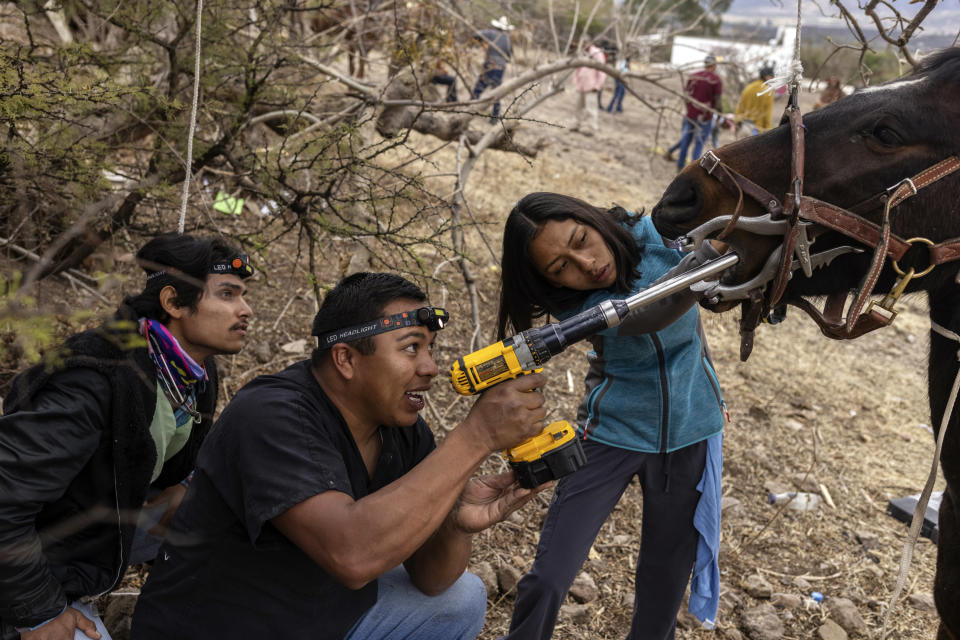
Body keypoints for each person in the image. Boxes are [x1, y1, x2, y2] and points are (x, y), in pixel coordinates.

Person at [130, 272, 550, 639]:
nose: (431, 367)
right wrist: (475, 438)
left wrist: (455, 525)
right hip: (220, 627)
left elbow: (432, 579)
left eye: (431, 349)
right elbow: (353, 556)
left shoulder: (402, 431)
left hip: (319, 618)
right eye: (410, 348)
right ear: (346, 359)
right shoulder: (271, 415)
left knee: (462, 598)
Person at [496, 193, 730, 640]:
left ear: (590, 218)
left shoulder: (659, 236)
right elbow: (656, 311)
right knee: (550, 576)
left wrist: (710, 393)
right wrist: (709, 259)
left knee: (663, 588)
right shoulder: (577, 310)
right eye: (561, 267)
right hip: (611, 434)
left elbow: (695, 331)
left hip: (691, 435)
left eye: (581, 239)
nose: (585, 264)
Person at [0, 234, 254, 640]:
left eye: (243, 295)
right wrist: (41, 612)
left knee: (222, 516)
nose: (246, 309)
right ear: (173, 303)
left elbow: (168, 471)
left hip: (88, 537)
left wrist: (187, 486)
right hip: (25, 569)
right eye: (228, 294)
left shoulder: (192, 376)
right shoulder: (95, 380)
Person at [665, 54, 724, 171]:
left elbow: (686, 96)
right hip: (705, 117)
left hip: (690, 115)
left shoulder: (694, 76)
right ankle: (692, 171)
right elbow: (718, 101)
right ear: (714, 66)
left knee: (685, 141)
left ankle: (680, 166)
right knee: (698, 144)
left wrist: (690, 109)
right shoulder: (716, 80)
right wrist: (718, 116)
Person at [471, 16, 514, 119]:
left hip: (490, 64)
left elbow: (475, 34)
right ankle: (494, 116)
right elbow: (509, 56)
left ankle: (469, 109)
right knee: (496, 92)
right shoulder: (508, 39)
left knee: (478, 88)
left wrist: (482, 43)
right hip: (501, 67)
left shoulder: (490, 33)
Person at [571, 40, 606, 136]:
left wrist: (598, 85)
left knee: (591, 109)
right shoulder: (582, 53)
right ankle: (575, 125)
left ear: (590, 42)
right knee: (577, 107)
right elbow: (576, 69)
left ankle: (591, 128)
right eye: (582, 43)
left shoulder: (597, 53)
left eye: (586, 42)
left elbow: (602, 71)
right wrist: (576, 82)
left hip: (591, 86)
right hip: (580, 86)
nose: (584, 44)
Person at [733, 66, 775, 138]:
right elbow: (767, 113)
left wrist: (736, 126)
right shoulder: (767, 90)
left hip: (743, 126)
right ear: (767, 77)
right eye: (772, 77)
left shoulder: (749, 87)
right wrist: (767, 130)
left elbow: (740, 107)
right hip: (756, 129)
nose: (773, 79)